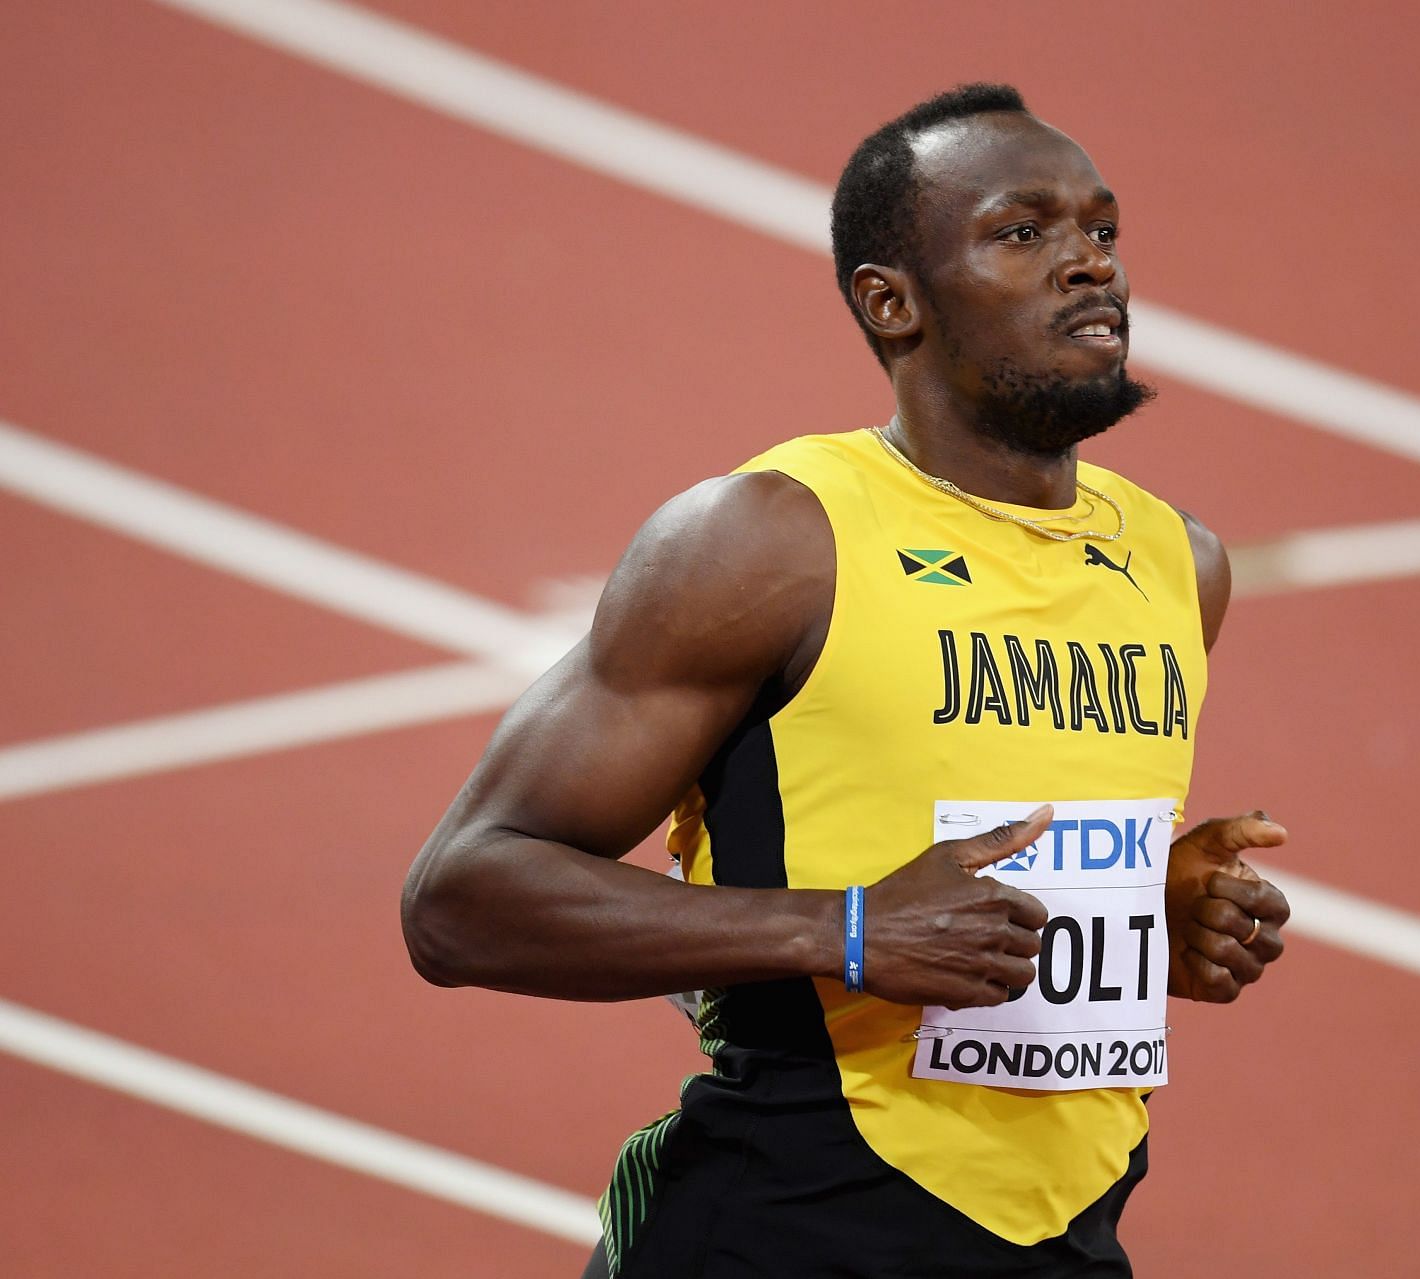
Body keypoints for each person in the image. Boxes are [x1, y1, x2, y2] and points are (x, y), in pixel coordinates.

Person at [401, 82, 1291, 1278]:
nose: (1088, 264)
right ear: (891, 301)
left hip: (1064, 1239)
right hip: (784, 1226)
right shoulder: (772, 540)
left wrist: (1147, 919)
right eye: (1023, 232)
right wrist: (848, 929)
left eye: (1102, 230)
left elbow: (1004, 872)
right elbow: (461, 898)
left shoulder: (1179, 563)